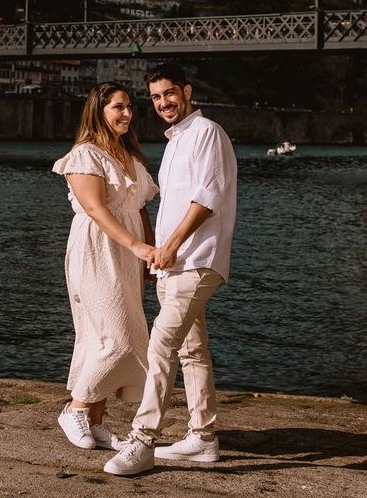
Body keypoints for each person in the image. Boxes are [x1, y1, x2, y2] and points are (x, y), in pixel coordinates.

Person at [105, 62, 238, 476]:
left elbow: (207, 198)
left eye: (170, 93)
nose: (163, 102)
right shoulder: (176, 139)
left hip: (197, 259)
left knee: (161, 343)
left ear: (187, 91)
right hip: (173, 264)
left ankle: (143, 439)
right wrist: (160, 258)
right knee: (191, 350)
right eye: (156, 97)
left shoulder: (206, 132)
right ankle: (203, 437)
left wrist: (172, 247)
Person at [52, 82, 158, 452]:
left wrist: (149, 253)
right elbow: (96, 210)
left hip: (128, 256)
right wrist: (138, 246)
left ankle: (96, 421)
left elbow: (140, 209)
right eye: (118, 107)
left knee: (110, 337)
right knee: (117, 339)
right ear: (99, 111)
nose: (127, 113)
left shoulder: (130, 154)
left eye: (129, 106)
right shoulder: (85, 154)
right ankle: (75, 408)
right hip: (96, 251)